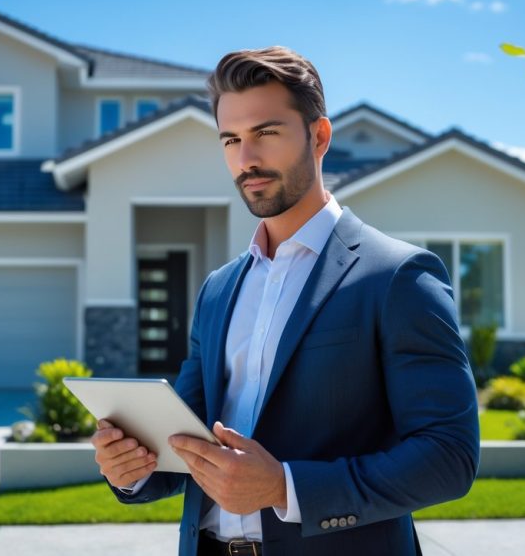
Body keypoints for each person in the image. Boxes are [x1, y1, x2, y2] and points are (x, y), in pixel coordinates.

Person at [92, 46, 480, 556]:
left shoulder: (398, 276)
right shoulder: (219, 289)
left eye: (265, 133)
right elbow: (188, 442)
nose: (246, 158)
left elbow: (448, 457)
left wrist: (284, 488)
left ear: (319, 136)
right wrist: (133, 468)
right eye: (231, 139)